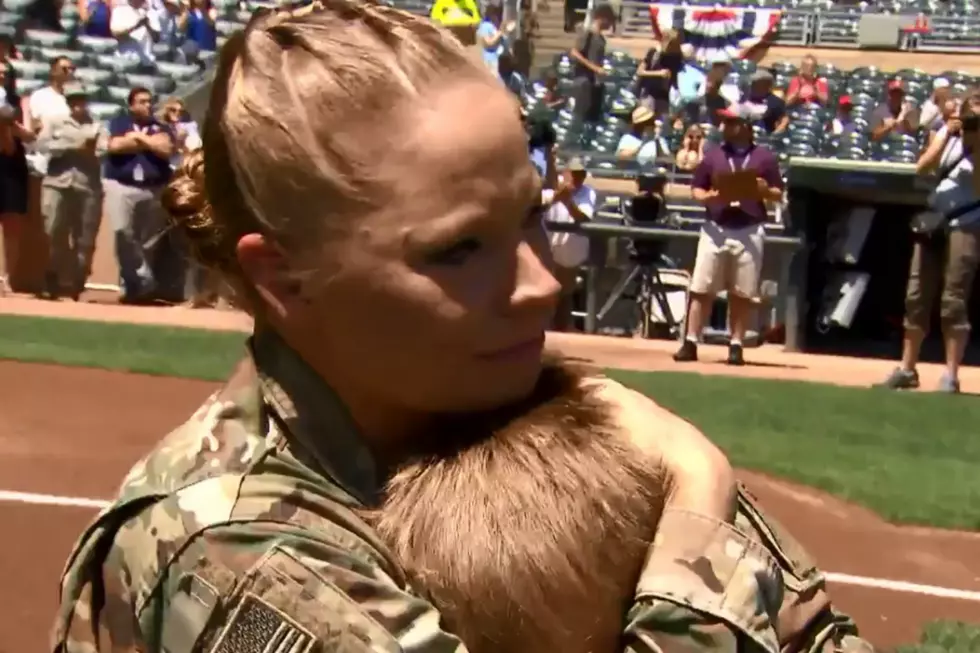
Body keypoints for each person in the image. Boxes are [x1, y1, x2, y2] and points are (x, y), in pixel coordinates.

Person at [52, 4, 873, 652]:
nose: (542, 283)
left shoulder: (514, 394)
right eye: (459, 249)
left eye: (530, 218)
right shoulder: (228, 547)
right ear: (283, 277)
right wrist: (694, 509)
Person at [879, 94, 980, 394]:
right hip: (933, 222)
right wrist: (949, 133)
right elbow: (923, 168)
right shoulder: (947, 136)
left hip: (967, 224)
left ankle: (950, 375)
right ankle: (908, 368)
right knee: (916, 295)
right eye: (972, 115)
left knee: (954, 300)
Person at [675, 103, 782, 365]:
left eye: (731, 122)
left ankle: (736, 344)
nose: (725, 127)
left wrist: (764, 190)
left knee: (741, 291)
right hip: (716, 227)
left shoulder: (764, 157)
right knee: (701, 288)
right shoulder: (713, 155)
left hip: (748, 227)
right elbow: (697, 188)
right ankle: (690, 341)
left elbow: (778, 191)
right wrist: (708, 197)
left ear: (745, 126)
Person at [103, 86, 177, 303]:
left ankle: (135, 289)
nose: (148, 105)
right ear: (131, 105)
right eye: (142, 101)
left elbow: (166, 149)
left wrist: (138, 139)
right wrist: (149, 143)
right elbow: (115, 145)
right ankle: (143, 280)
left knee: (147, 241)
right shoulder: (119, 123)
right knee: (122, 232)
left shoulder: (161, 126)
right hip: (122, 185)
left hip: (154, 187)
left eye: (149, 101)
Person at [36, 84, 107, 300]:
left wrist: (90, 149)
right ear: (68, 102)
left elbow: (104, 149)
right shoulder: (55, 121)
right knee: (52, 229)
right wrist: (71, 146)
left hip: (88, 186)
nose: (78, 104)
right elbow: (42, 146)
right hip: (57, 182)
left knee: (85, 238)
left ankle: (77, 283)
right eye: (73, 100)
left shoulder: (97, 125)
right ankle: (52, 277)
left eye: (81, 100)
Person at [543, 156, 595, 332]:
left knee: (564, 295)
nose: (576, 178)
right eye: (573, 173)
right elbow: (537, 208)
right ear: (565, 173)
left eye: (580, 174)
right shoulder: (551, 185)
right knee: (546, 293)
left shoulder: (588, 192)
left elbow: (583, 216)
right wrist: (558, 196)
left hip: (570, 252)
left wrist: (567, 201)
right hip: (548, 249)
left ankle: (561, 333)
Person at [568, 2, 615, 125]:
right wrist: (595, 68)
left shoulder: (601, 38)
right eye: (610, 20)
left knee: (593, 119)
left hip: (594, 84)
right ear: (602, 17)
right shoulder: (587, 34)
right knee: (580, 118)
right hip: (583, 82)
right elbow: (574, 52)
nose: (611, 24)